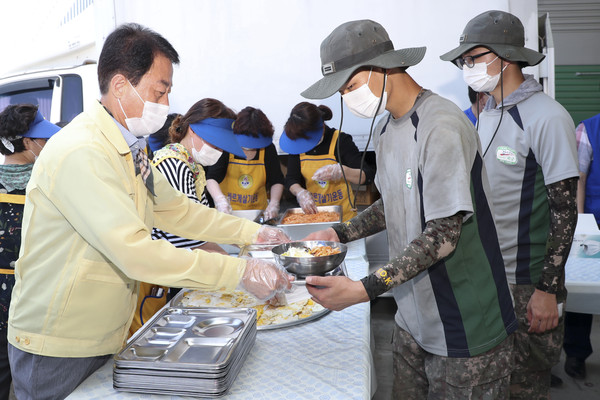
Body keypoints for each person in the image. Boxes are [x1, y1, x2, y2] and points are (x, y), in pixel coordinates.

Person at [6, 23, 292, 400]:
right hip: (59, 339)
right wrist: (240, 271)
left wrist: (252, 234)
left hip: (102, 329)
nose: (166, 102)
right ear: (121, 85)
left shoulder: (131, 146)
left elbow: (178, 211)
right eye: (160, 90)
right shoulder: (83, 151)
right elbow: (135, 252)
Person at [300, 19, 517, 398]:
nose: (348, 97)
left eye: (350, 86)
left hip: (463, 321)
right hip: (412, 318)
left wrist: (364, 290)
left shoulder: (440, 125)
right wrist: (338, 232)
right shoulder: (387, 131)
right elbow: (392, 206)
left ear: (383, 67)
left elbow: (443, 236)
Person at [440, 10, 579, 398]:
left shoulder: (547, 117)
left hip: (528, 279)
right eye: (463, 61)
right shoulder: (488, 112)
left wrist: (547, 289)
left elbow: (565, 211)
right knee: (494, 380)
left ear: (505, 56)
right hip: (491, 273)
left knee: (526, 381)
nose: (467, 66)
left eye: (475, 57)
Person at [129, 98, 244, 337]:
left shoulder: (191, 165)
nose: (219, 151)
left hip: (184, 267)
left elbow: (201, 224)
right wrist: (238, 267)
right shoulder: (174, 165)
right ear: (193, 130)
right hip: (171, 276)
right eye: (215, 143)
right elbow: (186, 237)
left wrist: (244, 242)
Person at [0, 104, 59, 400]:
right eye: (43, 140)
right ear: (27, 143)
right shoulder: (47, 184)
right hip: (34, 297)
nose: (48, 145)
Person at [279, 102, 375, 222]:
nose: (305, 146)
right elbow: (291, 179)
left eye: (307, 142)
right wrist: (300, 193)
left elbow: (368, 176)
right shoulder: (298, 144)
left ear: (322, 128)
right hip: (313, 217)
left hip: (344, 218)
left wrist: (342, 171)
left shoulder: (340, 141)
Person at [562, 112, 600, 380]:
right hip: (594, 224)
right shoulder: (589, 129)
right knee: (582, 291)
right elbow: (579, 179)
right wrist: (579, 225)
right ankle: (576, 353)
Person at [205, 106, 285, 220]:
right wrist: (220, 201)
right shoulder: (226, 146)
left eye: (255, 145)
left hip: (259, 214)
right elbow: (211, 178)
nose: (249, 148)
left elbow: (276, 180)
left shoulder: (267, 148)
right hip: (229, 214)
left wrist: (274, 204)